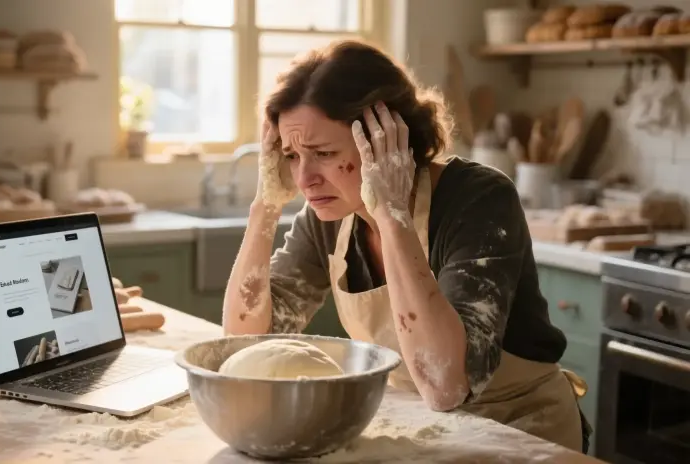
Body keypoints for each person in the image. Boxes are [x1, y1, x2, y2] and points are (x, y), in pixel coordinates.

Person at [221, 39, 591, 453]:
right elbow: (244, 345)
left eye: (323, 153)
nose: (304, 178)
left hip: (522, 433)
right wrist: (265, 207)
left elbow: (445, 385)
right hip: (429, 430)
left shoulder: (479, 199)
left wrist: (391, 214)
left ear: (385, 140)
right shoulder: (330, 214)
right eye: (290, 155)